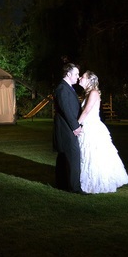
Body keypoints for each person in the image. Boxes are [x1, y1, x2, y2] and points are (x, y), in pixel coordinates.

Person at [77, 71, 128, 193]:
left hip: (93, 128)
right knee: (86, 153)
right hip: (87, 126)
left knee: (95, 153)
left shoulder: (94, 93)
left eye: (83, 77)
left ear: (90, 80)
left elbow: (86, 111)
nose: (80, 78)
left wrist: (75, 125)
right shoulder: (87, 94)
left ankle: (97, 181)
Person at [52, 62, 83, 193]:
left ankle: (62, 184)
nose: (78, 76)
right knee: (73, 156)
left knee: (64, 156)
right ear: (68, 74)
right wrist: (75, 126)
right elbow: (66, 110)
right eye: (76, 74)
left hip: (66, 128)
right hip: (66, 129)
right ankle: (74, 187)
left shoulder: (66, 87)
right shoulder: (62, 88)